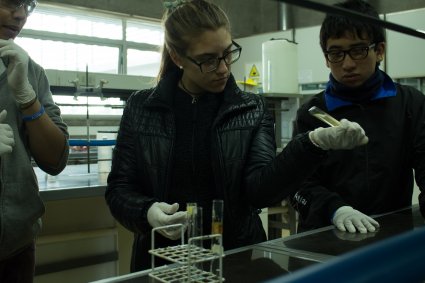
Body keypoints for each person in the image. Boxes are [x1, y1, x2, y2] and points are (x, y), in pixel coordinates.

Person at [105, 0, 368, 272]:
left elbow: (261, 191)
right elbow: (119, 190)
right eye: (208, 60)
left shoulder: (250, 108)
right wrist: (147, 212)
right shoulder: (142, 108)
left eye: (228, 53)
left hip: (236, 259)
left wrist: (312, 145)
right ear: (177, 57)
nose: (223, 68)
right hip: (162, 264)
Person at [290, 0, 425, 235]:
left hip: (389, 235)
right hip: (322, 241)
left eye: (358, 50)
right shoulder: (312, 113)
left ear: (379, 50)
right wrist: (335, 209)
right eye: (336, 53)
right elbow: (297, 185)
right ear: (326, 57)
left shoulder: (410, 105)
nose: (348, 64)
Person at [0, 1, 69, 282]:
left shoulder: (29, 70)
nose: (21, 15)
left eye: (27, 5)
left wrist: (28, 97)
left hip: (16, 250)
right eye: (10, 2)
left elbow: (55, 159)